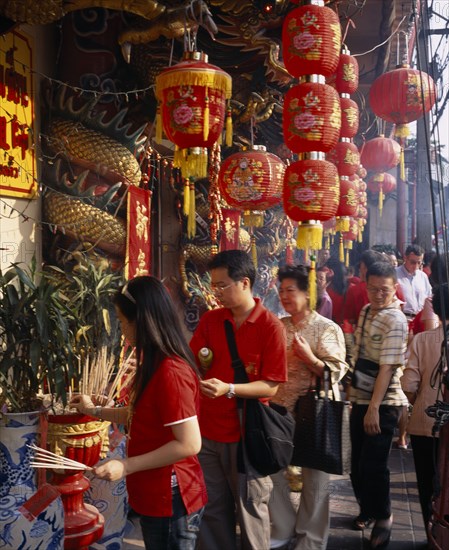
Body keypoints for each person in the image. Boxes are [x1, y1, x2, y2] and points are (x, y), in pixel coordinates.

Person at [70, 276, 207, 550]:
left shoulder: (171, 371)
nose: (121, 329)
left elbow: (190, 443)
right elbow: (137, 414)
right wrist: (93, 410)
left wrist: (126, 465)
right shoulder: (151, 362)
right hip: (155, 493)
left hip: (171, 496)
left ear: (142, 321)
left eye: (123, 321)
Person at [189, 249, 288, 550]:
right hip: (207, 432)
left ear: (244, 283)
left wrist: (228, 388)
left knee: (251, 511)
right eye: (213, 285)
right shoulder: (211, 320)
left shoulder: (271, 326)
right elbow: (193, 361)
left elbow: (270, 386)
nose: (215, 292)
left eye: (221, 285)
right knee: (213, 511)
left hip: (248, 435)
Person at [268, 264, 348, 550]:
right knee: (270, 470)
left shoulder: (326, 328)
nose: (284, 296)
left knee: (315, 478)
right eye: (281, 291)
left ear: (308, 293)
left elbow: (337, 370)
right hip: (278, 410)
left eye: (291, 290)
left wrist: (309, 358)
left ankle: (311, 538)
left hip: (313, 412)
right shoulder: (278, 325)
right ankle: (283, 525)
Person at [349, 261, 409, 549]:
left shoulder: (396, 319)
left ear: (394, 288)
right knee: (357, 466)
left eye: (384, 290)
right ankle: (369, 508)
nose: (378, 295)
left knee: (373, 464)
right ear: (366, 285)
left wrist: (373, 407)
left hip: (383, 402)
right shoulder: (365, 310)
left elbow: (387, 367)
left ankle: (384, 517)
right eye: (373, 289)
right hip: (360, 396)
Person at [400, 282, 447, 543]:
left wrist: (420, 399)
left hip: (424, 422)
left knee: (428, 484)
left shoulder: (421, 340)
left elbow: (408, 385)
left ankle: (432, 537)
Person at [396, 244, 432, 320]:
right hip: (403, 319)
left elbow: (429, 297)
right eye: (413, 262)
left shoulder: (423, 276)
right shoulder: (395, 275)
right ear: (405, 258)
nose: (416, 266)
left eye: (419, 263)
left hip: (420, 320)